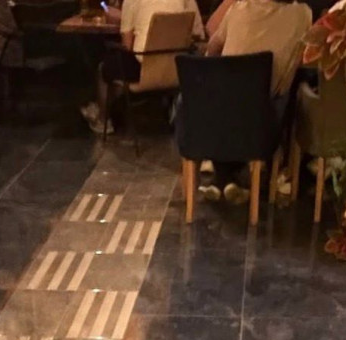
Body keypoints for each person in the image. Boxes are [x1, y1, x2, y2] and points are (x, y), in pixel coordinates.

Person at [202, 0, 312, 203]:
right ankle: (259, 177)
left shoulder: (240, 8)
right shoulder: (303, 14)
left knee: (222, 98)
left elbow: (213, 46)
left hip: (215, 120)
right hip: (264, 121)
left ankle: (224, 177)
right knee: (289, 92)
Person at [81, 0, 204, 135]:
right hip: (178, 69)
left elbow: (127, 45)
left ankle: (102, 119)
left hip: (144, 70)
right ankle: (100, 107)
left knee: (104, 69)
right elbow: (198, 33)